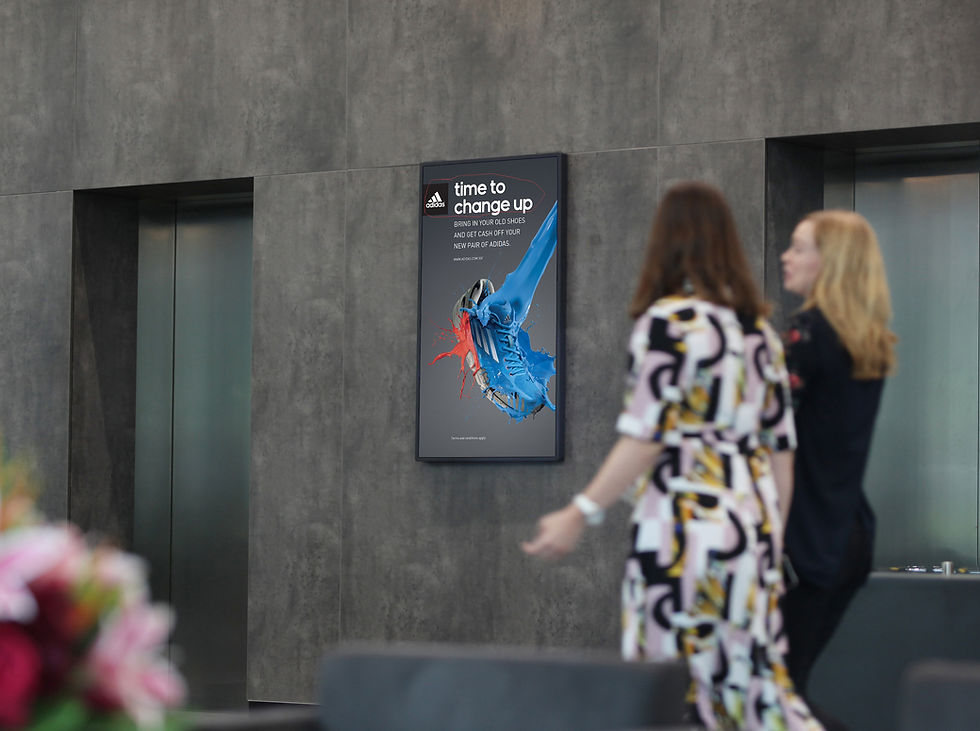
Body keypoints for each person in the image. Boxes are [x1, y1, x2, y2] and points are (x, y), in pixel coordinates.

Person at [522, 181, 822, 731]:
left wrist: (579, 512)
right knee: (754, 690)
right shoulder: (760, 333)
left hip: (681, 532)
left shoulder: (668, 323)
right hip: (748, 533)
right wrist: (771, 542)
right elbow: (782, 452)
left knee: (665, 690)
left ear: (665, 243)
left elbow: (646, 435)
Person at [779, 210, 896, 728]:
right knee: (785, 693)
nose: (787, 256)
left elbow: (766, 438)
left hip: (803, 543)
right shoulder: (865, 340)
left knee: (769, 695)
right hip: (846, 539)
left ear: (831, 263)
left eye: (800, 247)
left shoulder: (806, 335)